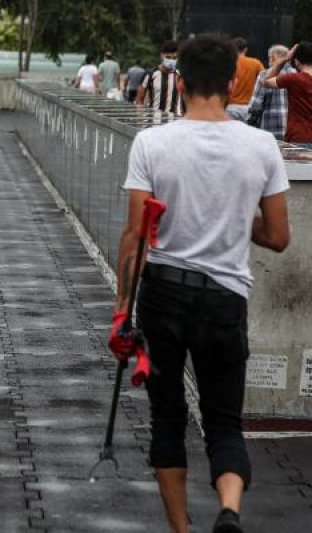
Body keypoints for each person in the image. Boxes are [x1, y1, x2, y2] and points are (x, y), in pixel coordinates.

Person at [111, 35, 290, 533]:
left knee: (168, 419)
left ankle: (182, 529)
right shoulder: (260, 146)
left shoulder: (152, 143)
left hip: (163, 291)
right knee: (224, 422)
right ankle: (229, 510)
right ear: (233, 82)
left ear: (181, 81)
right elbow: (278, 236)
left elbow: (135, 235)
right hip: (225, 298)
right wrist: (236, 217)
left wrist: (122, 310)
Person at [263, 41, 312, 147]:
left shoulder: (294, 79)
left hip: (299, 137)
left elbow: (267, 81)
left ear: (297, 61)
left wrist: (284, 60)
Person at [247, 45, 293, 140]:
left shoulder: (264, 75)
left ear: (273, 58)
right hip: (293, 132)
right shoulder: (298, 75)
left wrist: (249, 124)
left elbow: (255, 106)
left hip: (270, 131)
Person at [136, 41, 183, 115]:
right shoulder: (150, 74)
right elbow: (139, 100)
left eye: (174, 58)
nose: (171, 60)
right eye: (168, 57)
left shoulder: (181, 75)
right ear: (161, 55)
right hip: (155, 121)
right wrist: (141, 118)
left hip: (176, 121)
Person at [227, 37, 265, 121]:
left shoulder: (228, 63)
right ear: (245, 49)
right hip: (249, 107)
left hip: (231, 107)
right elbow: (265, 80)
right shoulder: (256, 63)